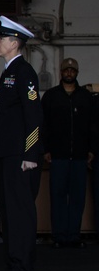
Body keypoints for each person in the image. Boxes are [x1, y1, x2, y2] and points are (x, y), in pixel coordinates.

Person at [0, 16, 43, 271]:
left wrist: (31, 155)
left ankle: (22, 270)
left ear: (14, 42)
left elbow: (34, 116)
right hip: (7, 155)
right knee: (9, 214)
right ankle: (13, 268)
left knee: (20, 214)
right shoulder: (8, 72)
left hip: (21, 158)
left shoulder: (24, 73)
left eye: (1, 38)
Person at [42, 57, 92, 248]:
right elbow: (43, 125)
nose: (69, 73)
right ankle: (59, 236)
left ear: (76, 73)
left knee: (78, 198)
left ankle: (73, 236)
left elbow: (92, 126)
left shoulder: (85, 97)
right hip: (58, 156)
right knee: (58, 197)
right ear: (61, 72)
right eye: (66, 70)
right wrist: (45, 149)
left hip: (80, 156)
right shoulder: (51, 96)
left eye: (72, 70)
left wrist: (91, 149)